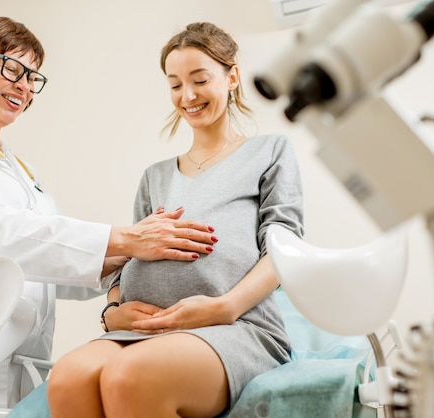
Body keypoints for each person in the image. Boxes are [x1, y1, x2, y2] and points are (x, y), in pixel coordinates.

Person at [0, 17, 219, 418]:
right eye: (13, 69)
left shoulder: (24, 173)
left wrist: (132, 259)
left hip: (17, 370)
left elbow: (49, 263)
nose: (24, 86)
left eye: (33, 78)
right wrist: (126, 239)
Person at [47, 21, 304, 418]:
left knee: (128, 377)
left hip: (235, 327)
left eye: (200, 80)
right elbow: (126, 260)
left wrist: (224, 308)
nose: (187, 95)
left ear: (232, 76)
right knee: (67, 379)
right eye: (175, 84)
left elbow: (285, 247)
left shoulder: (269, 152)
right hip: (139, 330)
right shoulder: (156, 176)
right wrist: (112, 311)